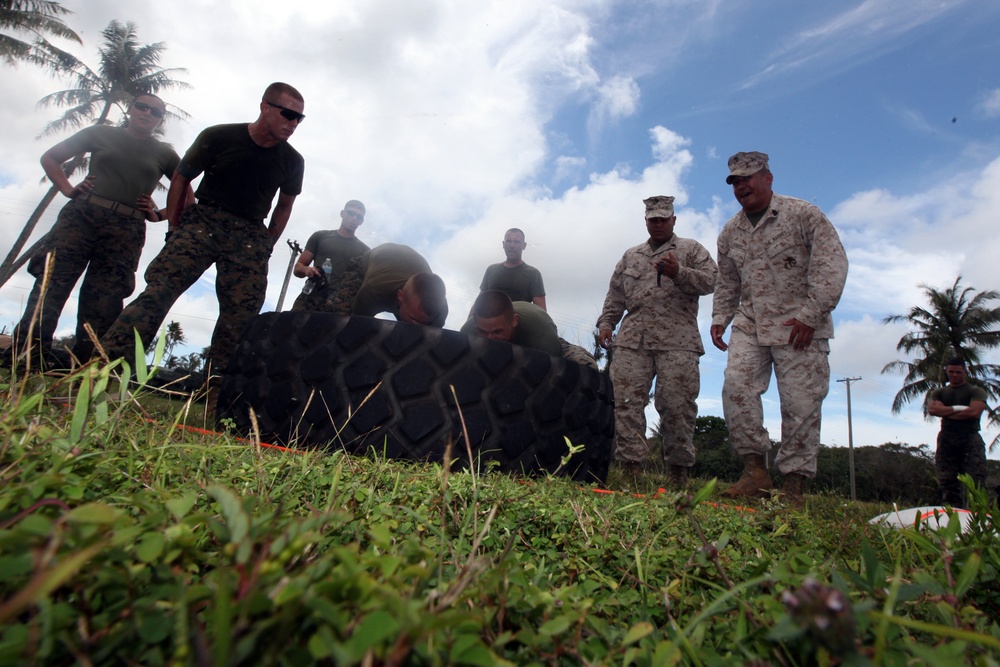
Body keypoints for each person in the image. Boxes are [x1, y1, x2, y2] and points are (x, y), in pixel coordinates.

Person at [101, 82, 306, 389]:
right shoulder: (219, 136)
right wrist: (175, 226)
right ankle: (105, 373)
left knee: (240, 318)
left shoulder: (292, 161)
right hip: (203, 221)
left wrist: (266, 244)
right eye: (288, 114)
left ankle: (216, 398)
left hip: (250, 235)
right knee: (158, 292)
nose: (293, 123)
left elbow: (285, 205)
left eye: (299, 119)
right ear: (265, 107)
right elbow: (183, 177)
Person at [711, 151, 848, 506]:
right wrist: (719, 319)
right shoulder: (730, 232)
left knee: (800, 405)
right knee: (736, 387)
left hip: (799, 326)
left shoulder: (804, 215)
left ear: (768, 178)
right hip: (751, 324)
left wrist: (812, 313)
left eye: (748, 178)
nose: (742, 186)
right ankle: (755, 471)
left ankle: (794, 489)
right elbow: (727, 282)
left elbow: (831, 266)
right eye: (735, 182)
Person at [11, 94, 187, 363]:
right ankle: (24, 360)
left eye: (155, 112)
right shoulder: (99, 133)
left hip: (126, 230)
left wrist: (157, 215)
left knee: (105, 302)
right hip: (81, 218)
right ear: (131, 109)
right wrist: (68, 189)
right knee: (51, 285)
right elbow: (51, 158)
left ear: (159, 120)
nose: (147, 114)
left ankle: (85, 371)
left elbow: (186, 196)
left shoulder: (165, 154)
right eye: (142, 107)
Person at [597, 196, 718, 487]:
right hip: (632, 341)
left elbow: (711, 281)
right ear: (646, 221)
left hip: (678, 341)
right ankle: (631, 472)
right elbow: (615, 296)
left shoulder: (690, 250)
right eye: (653, 219)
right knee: (626, 404)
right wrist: (606, 323)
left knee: (677, 406)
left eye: (664, 219)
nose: (659, 223)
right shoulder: (631, 256)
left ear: (674, 220)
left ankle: (678, 475)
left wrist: (680, 273)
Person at [323, 243, 448, 326]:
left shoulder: (440, 312)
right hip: (368, 263)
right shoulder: (374, 290)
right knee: (340, 315)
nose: (416, 326)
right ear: (400, 296)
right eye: (413, 319)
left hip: (403, 262)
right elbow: (357, 323)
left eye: (423, 323)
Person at [927, 358, 988, 508]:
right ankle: (952, 512)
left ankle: (979, 514)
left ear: (965, 372)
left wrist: (945, 412)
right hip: (947, 437)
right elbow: (932, 410)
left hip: (970, 437)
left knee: (976, 480)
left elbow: (974, 412)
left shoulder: (975, 391)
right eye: (951, 372)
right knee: (947, 480)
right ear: (947, 372)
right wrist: (959, 409)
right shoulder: (939, 392)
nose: (954, 375)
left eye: (958, 372)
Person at [291, 200, 369, 312]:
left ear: (361, 221)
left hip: (342, 303)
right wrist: (306, 269)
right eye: (351, 213)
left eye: (358, 217)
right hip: (312, 295)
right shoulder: (320, 236)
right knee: (292, 328)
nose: (354, 218)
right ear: (342, 213)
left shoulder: (365, 252)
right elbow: (298, 268)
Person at [461, 290, 563, 356]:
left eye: (497, 332)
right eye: (483, 331)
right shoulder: (467, 332)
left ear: (514, 321)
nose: (490, 338)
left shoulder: (543, 337)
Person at [477, 228, 546, 309]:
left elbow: (541, 311)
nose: (512, 245)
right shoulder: (491, 270)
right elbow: (479, 303)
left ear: (524, 246)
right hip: (491, 321)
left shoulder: (533, 274)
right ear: (503, 244)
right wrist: (468, 321)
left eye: (517, 242)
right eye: (508, 241)